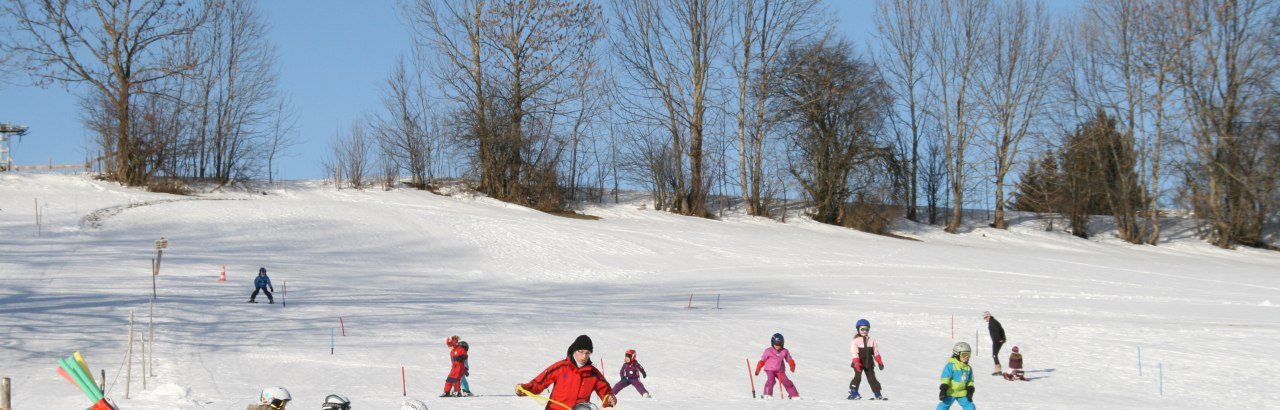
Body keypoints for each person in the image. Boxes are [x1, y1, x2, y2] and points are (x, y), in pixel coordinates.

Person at [516, 334, 616, 409]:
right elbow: (539, 383)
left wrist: (609, 399)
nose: (584, 356)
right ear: (574, 351)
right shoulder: (561, 367)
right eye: (580, 352)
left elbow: (605, 392)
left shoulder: (593, 374)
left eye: (587, 353)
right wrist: (524, 389)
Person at [848, 319, 886, 400]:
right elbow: (855, 353)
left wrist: (879, 361)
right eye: (862, 329)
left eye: (866, 329)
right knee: (857, 377)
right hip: (858, 363)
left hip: (869, 363)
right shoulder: (855, 341)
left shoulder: (872, 341)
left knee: (872, 378)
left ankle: (877, 393)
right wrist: (857, 363)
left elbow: (875, 352)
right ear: (858, 329)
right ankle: (854, 392)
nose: (864, 331)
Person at [753, 333, 799, 399]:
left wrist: (792, 365)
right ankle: (767, 394)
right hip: (770, 369)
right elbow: (762, 361)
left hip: (780, 370)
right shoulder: (768, 351)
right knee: (771, 380)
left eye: (779, 344)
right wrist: (758, 368)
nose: (777, 346)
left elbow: (789, 359)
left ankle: (794, 395)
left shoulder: (784, 351)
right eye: (776, 344)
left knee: (787, 381)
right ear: (772, 343)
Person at [938, 342, 976, 410]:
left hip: (962, 393)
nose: (967, 357)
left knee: (970, 406)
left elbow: (970, 380)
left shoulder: (968, 368)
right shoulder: (950, 366)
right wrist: (943, 389)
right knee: (943, 406)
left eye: (969, 355)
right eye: (964, 355)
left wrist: (970, 388)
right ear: (957, 354)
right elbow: (945, 378)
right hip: (951, 392)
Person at [984, 311, 1006, 375]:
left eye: (985, 317)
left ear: (988, 316)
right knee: (994, 355)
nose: (985, 319)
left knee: (994, 355)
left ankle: (998, 371)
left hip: (997, 341)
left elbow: (998, 330)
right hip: (997, 340)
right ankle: (998, 370)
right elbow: (1001, 329)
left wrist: (1001, 339)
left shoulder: (993, 322)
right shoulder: (993, 321)